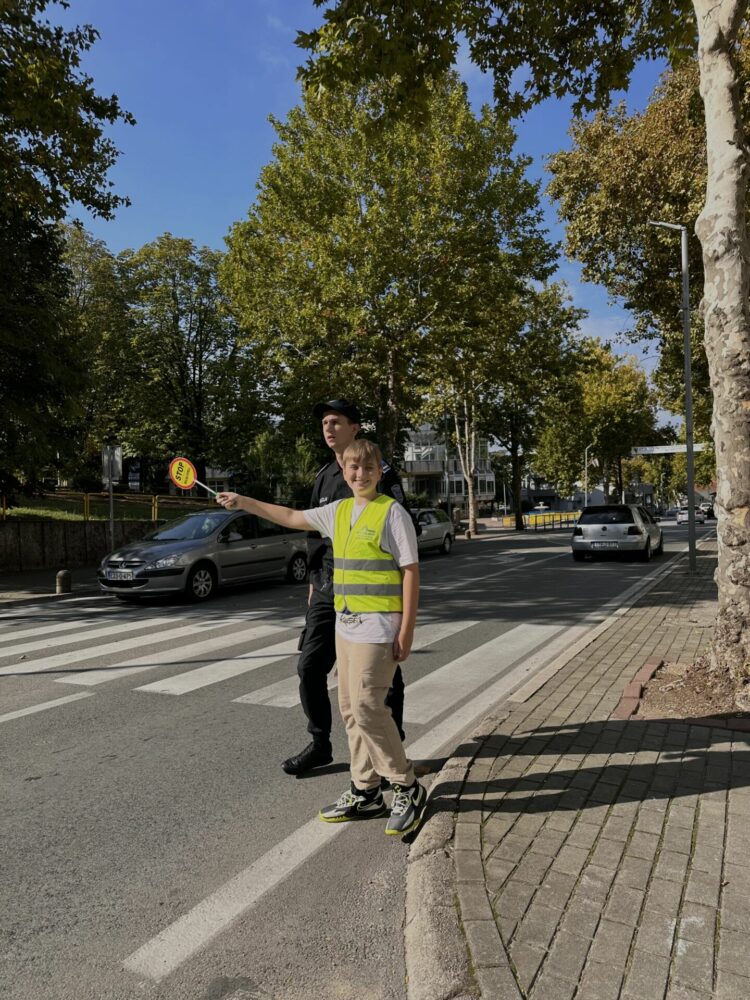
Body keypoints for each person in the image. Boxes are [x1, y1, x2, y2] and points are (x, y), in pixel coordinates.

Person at [216, 438, 427, 835]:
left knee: (367, 706)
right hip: (345, 627)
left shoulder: (392, 512)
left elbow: (411, 572)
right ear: (344, 473)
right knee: (349, 709)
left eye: (368, 467)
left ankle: (406, 785)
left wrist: (407, 630)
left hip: (379, 627)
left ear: (379, 472)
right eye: (354, 468)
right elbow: (291, 516)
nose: (361, 474)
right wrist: (244, 502)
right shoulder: (339, 511)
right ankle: (365, 791)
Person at [281, 398, 414, 777]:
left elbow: (402, 532)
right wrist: (312, 582)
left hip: (372, 595)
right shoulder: (324, 476)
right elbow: (311, 531)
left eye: (336, 421)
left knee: (383, 679)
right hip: (328, 588)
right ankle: (320, 743)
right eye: (325, 422)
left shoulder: (376, 471)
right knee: (309, 666)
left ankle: (389, 750)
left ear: (355, 428)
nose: (328, 428)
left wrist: (401, 614)